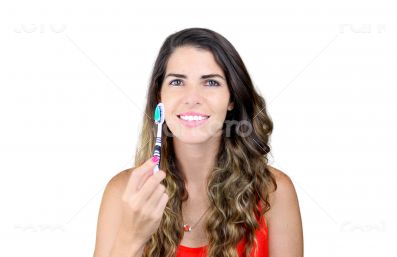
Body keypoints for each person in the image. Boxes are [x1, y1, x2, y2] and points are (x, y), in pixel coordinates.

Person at [93, 27, 303, 257]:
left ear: (232, 98)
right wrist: (131, 238)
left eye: (211, 82)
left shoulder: (274, 192)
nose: (192, 98)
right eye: (177, 82)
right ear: (158, 97)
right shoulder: (122, 192)